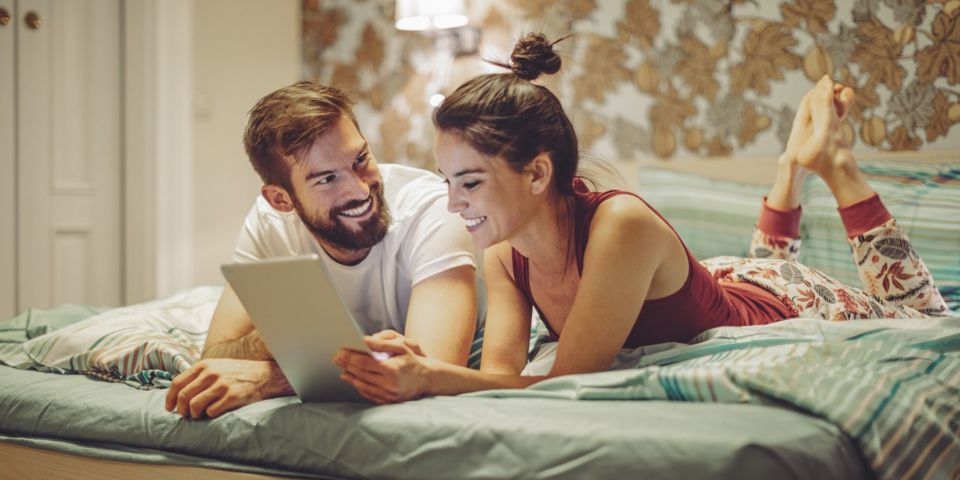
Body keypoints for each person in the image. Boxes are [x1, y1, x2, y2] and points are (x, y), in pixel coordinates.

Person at [332, 33, 950, 404]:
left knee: (923, 317)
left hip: (780, 298)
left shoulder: (620, 225)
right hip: (713, 279)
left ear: (538, 173)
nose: (453, 203)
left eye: (469, 183)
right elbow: (499, 377)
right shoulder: (501, 252)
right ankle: (788, 169)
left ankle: (834, 167)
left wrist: (433, 378)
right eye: (448, 182)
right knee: (752, 265)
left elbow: (568, 384)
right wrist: (423, 365)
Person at [164, 82, 482, 418]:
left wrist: (271, 378)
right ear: (281, 199)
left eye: (360, 159)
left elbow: (430, 373)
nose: (360, 190)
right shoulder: (270, 224)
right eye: (327, 179)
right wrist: (264, 342)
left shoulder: (433, 209)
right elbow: (214, 358)